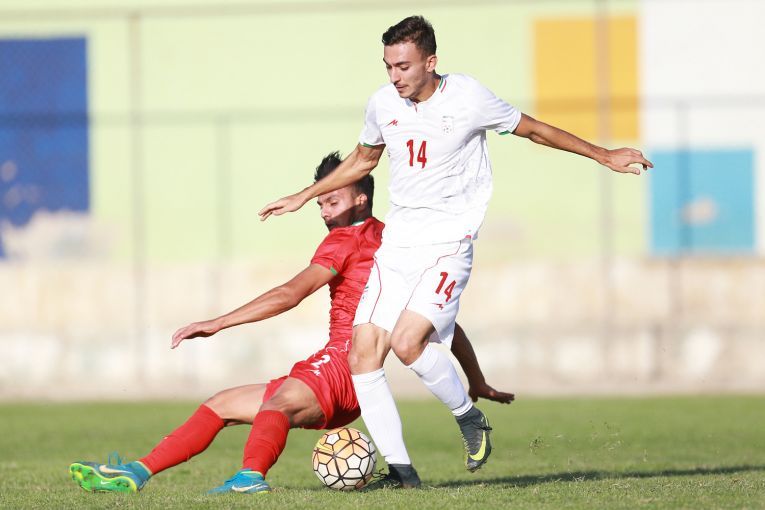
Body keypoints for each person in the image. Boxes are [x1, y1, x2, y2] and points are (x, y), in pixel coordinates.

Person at [258, 15, 654, 489]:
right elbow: (364, 159)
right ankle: (403, 475)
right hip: (398, 246)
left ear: (431, 62)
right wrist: (305, 195)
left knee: (407, 343)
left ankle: (468, 417)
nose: (395, 76)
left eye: (404, 66)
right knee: (363, 354)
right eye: (388, 66)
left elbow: (533, 130)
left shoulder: (468, 96)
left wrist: (604, 155)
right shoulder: (383, 103)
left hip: (448, 245)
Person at [68, 152, 513, 495]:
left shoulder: (344, 241)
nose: (324, 211)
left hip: (343, 365)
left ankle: (250, 478)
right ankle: (137, 472)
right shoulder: (391, 242)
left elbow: (289, 294)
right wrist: (475, 379)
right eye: (320, 203)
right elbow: (442, 322)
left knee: (277, 406)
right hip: (350, 374)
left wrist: (218, 323)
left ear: (361, 197)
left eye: (332, 200)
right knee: (221, 404)